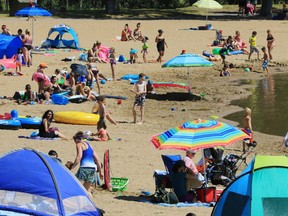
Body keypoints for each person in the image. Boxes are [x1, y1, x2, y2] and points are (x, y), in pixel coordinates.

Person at [70, 131, 103, 195]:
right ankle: (91, 204)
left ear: (77, 139)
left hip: (84, 168)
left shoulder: (79, 144)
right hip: (93, 168)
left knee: (78, 187)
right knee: (87, 191)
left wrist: (72, 168)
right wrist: (100, 172)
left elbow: (79, 157)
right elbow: (98, 160)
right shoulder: (90, 145)